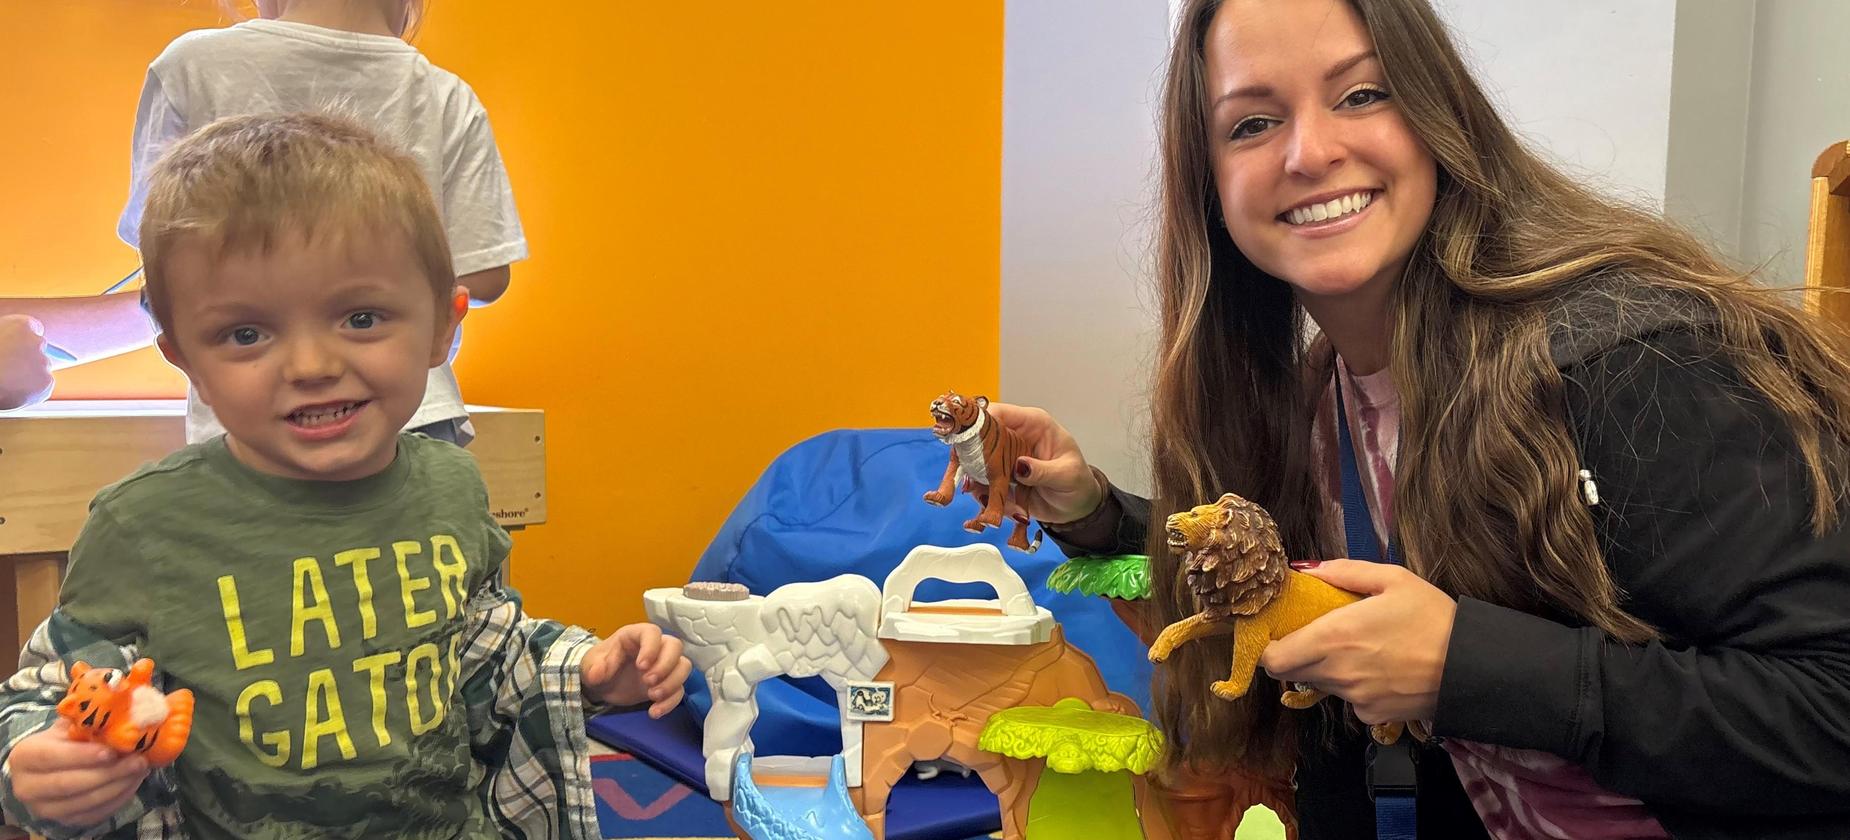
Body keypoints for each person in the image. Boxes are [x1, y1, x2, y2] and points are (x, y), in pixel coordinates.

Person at [984, 0, 1850, 837]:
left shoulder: (1639, 363)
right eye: (1252, 123)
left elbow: (1829, 703)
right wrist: (1093, 511)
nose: (1311, 151)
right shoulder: (1320, 399)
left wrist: (1466, 670)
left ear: (1438, 113)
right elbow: (1299, 589)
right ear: (1209, 183)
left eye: (1363, 94)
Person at [0, 113, 689, 839]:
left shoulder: (452, 488)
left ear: (441, 329)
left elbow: (485, 649)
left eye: (361, 317)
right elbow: (54, 690)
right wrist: (35, 758)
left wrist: (585, 670)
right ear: (184, 360)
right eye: (246, 334)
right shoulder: (142, 527)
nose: (311, 366)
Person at [110, 0, 526, 445]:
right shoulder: (446, 95)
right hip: (412, 415)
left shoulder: (190, 67)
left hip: (250, 423)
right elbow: (483, 273)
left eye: (362, 318)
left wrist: (249, 323)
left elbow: (161, 253)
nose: (315, 365)